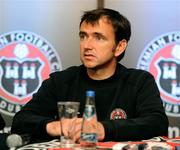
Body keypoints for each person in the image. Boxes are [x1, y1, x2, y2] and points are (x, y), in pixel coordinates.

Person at [11, 8, 168, 143]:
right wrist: (53, 125)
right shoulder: (60, 81)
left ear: (119, 46)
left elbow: (157, 123)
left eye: (98, 38)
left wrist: (102, 129)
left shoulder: (139, 81)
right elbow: (20, 121)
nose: (87, 45)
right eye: (83, 36)